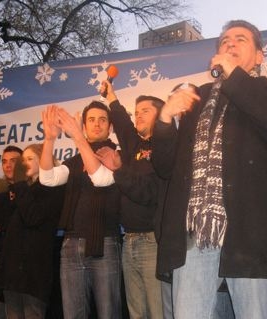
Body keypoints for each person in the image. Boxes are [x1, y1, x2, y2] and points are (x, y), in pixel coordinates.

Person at [151, 20, 267, 319]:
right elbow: (164, 167)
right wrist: (165, 119)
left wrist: (234, 76)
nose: (230, 44)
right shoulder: (196, 102)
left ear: (260, 56)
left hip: (251, 237)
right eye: (224, 41)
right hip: (195, 235)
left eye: (240, 39)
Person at [39, 102, 122, 319]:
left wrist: (78, 138)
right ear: (84, 126)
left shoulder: (117, 154)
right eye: (91, 120)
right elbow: (47, 179)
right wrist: (49, 139)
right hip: (70, 245)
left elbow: (100, 179)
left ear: (110, 127)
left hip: (105, 243)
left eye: (102, 119)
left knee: (108, 313)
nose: (97, 124)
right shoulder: (74, 161)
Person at [99, 81, 171, 318]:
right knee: (137, 313)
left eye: (145, 111)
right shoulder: (134, 146)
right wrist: (111, 95)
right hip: (128, 240)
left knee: (157, 312)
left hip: (153, 241)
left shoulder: (164, 148)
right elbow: (121, 122)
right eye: (136, 112)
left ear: (160, 115)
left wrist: (119, 171)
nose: (138, 116)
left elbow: (149, 192)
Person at [0, 143, 64, 319]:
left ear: (44, 160)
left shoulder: (52, 189)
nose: (23, 164)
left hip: (33, 276)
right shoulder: (21, 190)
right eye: (22, 160)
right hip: (12, 276)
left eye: (29, 159)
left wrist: (19, 185)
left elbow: (33, 217)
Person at [0, 145, 24, 319]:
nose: (7, 165)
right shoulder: (0, 195)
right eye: (4, 161)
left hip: (22, 267)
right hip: (0, 261)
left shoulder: (32, 192)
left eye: (13, 161)